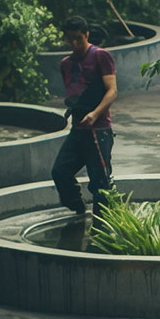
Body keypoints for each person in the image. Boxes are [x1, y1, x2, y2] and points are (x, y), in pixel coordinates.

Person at [51, 15, 118, 216]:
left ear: (87, 35)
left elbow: (112, 90)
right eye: (70, 38)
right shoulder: (66, 63)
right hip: (78, 129)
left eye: (79, 38)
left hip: (98, 129)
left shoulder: (100, 56)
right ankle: (79, 210)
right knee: (60, 171)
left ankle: (103, 227)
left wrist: (94, 114)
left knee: (100, 183)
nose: (75, 43)